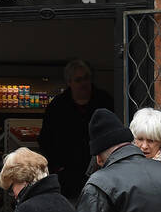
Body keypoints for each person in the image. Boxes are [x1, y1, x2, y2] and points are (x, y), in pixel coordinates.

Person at [39, 60, 115, 201]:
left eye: (86, 78)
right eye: (78, 80)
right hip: (67, 175)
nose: (83, 83)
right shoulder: (57, 107)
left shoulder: (104, 101)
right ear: (69, 82)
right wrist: (57, 166)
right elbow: (45, 139)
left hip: (101, 171)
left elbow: (114, 134)